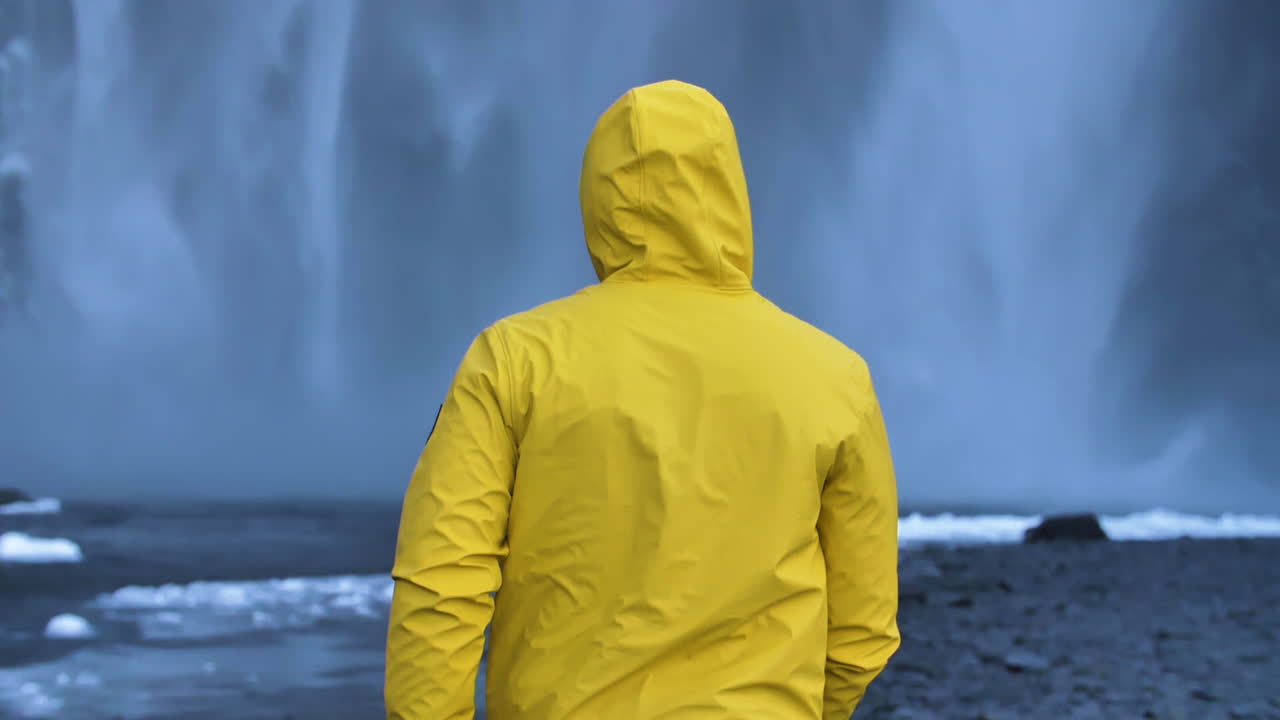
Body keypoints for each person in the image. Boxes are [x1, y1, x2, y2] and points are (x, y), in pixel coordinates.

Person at [386, 79, 900, 720]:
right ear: (732, 191)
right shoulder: (835, 377)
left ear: (598, 200)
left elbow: (441, 585)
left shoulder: (515, 358)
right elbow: (864, 632)